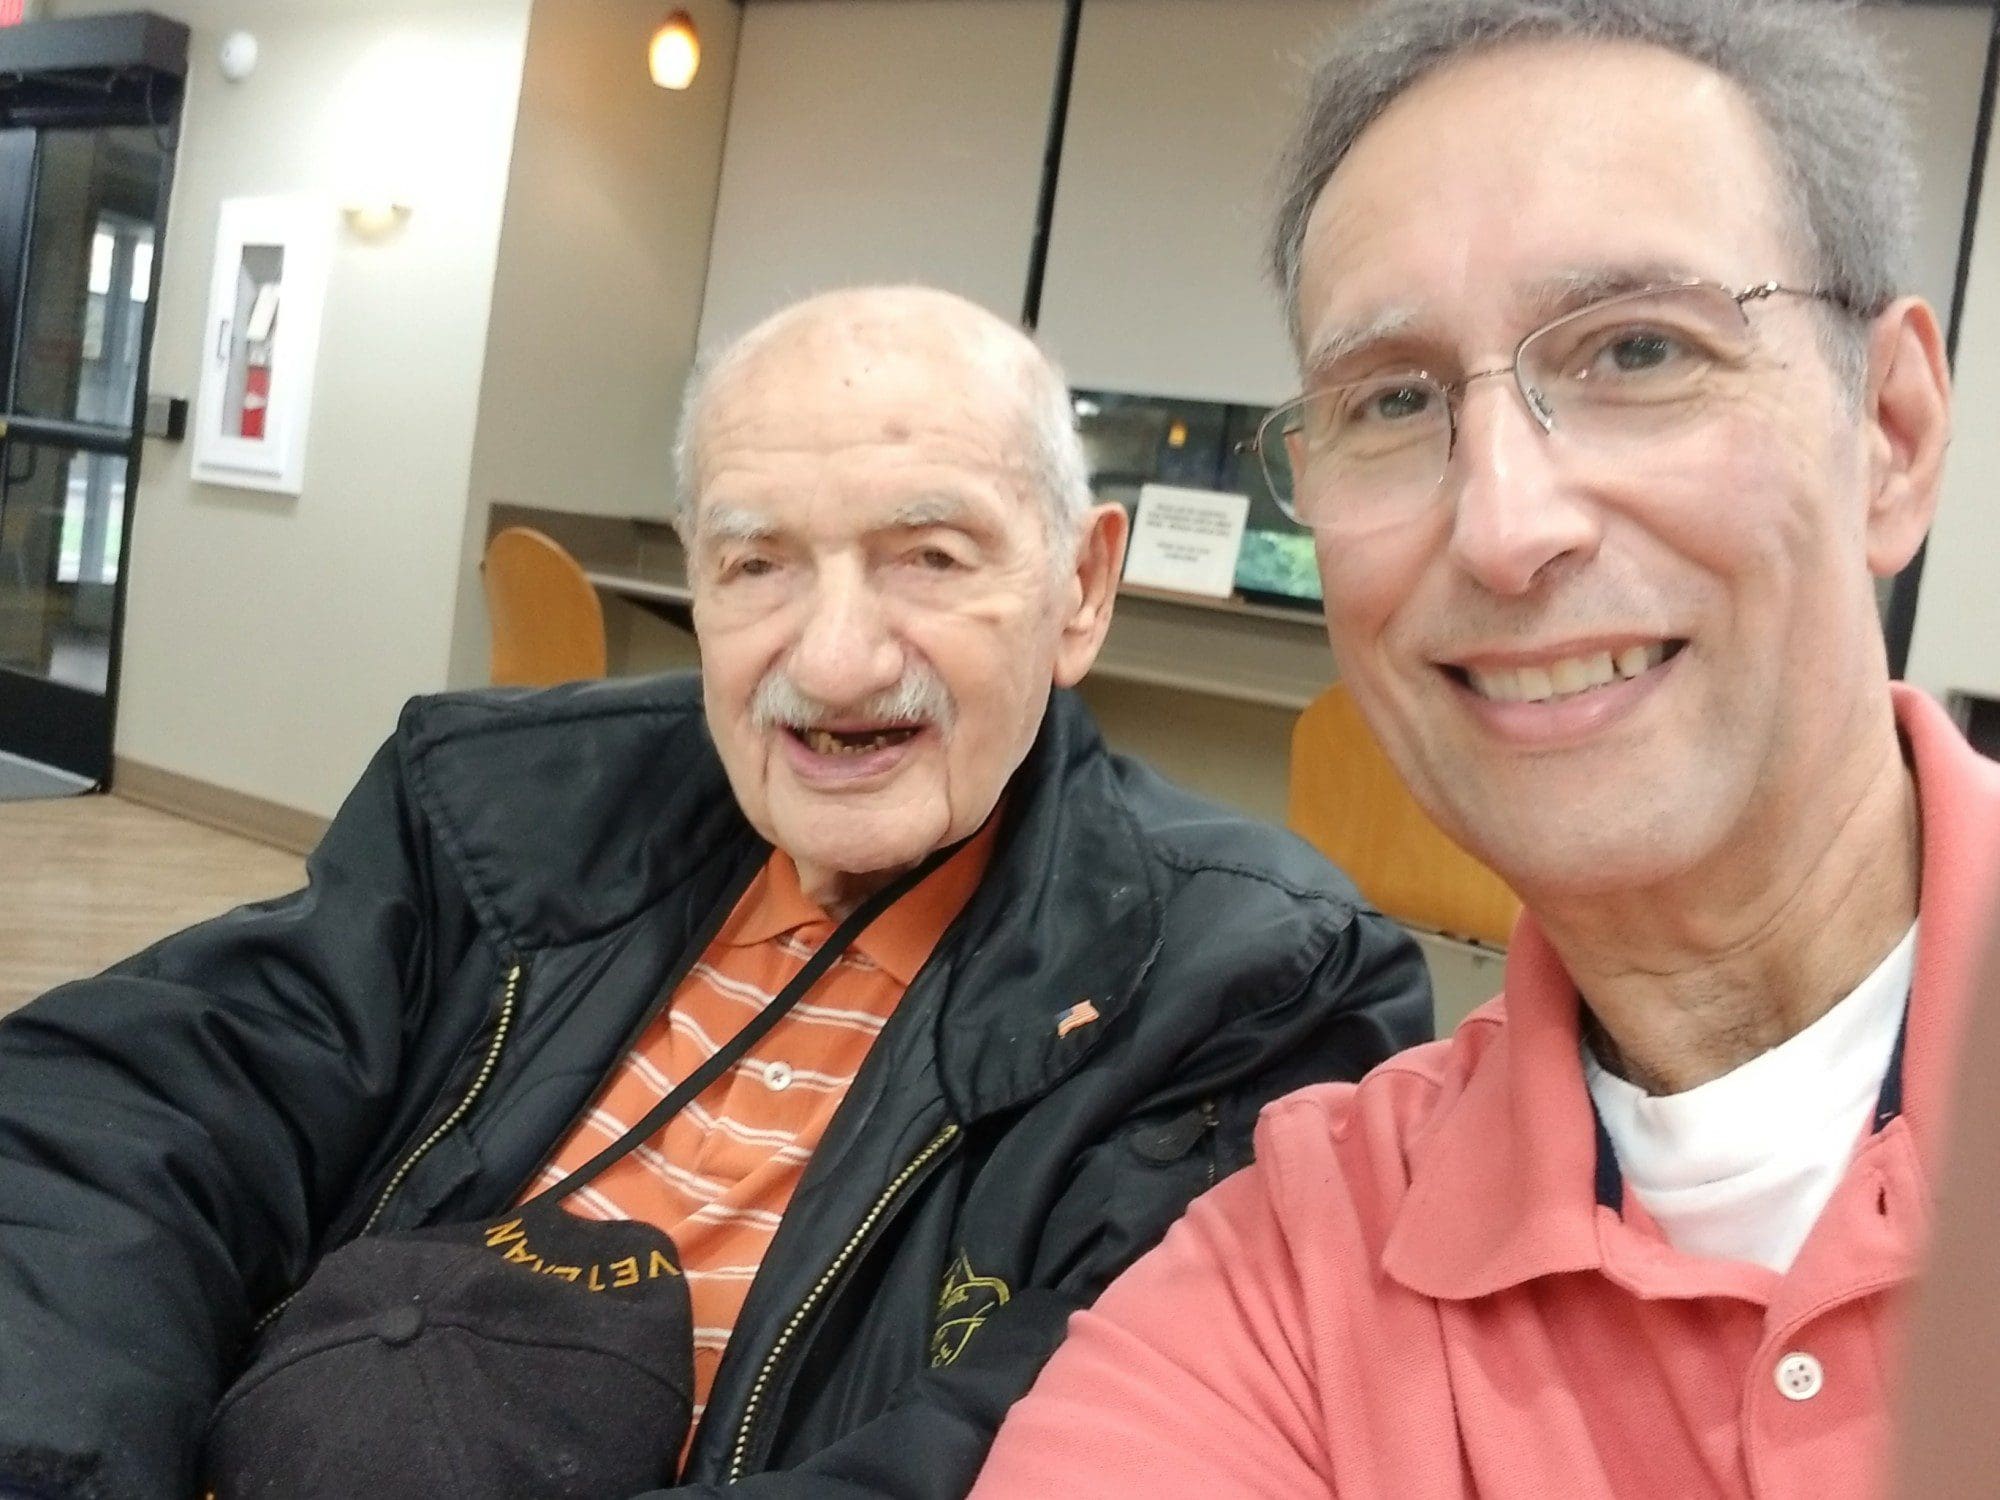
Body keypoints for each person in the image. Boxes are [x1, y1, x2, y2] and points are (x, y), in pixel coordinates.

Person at [0, 285, 1430, 1499]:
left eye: (929, 557)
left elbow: (1055, 1441)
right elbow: (130, 1115)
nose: (839, 661)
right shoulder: (498, 809)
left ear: (1081, 590)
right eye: (759, 565)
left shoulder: (1249, 984)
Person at [972, 2, 2000, 1495]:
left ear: (1892, 435)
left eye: (1638, 350)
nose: (1506, 526)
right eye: (1392, 400)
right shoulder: (1301, 1267)